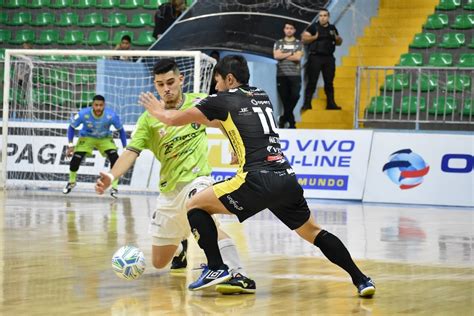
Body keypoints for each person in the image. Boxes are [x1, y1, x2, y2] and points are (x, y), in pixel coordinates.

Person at [139, 55, 376, 297]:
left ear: (229, 79)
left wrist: (157, 110)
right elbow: (240, 124)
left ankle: (216, 267)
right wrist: (234, 145)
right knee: (314, 232)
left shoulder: (220, 99)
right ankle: (361, 279)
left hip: (255, 180)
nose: (216, 87)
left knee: (194, 205)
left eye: (218, 81)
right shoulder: (262, 96)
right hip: (285, 177)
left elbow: (172, 119)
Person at [95, 59, 256, 295]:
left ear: (181, 79)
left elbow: (226, 120)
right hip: (169, 194)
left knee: (205, 215)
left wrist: (233, 144)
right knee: (159, 262)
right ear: (155, 86)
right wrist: (111, 175)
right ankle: (182, 246)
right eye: (160, 84)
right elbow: (131, 152)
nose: (166, 88)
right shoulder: (148, 120)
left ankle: (236, 272)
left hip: (197, 181)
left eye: (170, 82)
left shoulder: (199, 102)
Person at [64, 95, 127, 198]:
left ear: (104, 105)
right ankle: (71, 182)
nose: (98, 108)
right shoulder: (83, 114)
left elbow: (121, 131)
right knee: (76, 159)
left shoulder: (111, 115)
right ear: (92, 105)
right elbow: (71, 127)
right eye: (96, 105)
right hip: (87, 138)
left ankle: (114, 187)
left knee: (114, 158)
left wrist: (125, 148)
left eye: (101, 105)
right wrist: (70, 145)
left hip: (104, 138)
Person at [301, 8, 343, 113]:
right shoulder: (313, 27)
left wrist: (338, 39)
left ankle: (331, 103)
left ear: (328, 17)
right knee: (312, 81)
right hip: (315, 57)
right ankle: (307, 103)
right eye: (320, 16)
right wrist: (314, 38)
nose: (322, 18)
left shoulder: (332, 28)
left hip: (329, 58)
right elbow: (304, 39)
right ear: (318, 17)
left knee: (329, 82)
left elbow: (338, 42)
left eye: (325, 15)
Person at [273, 21, 304, 128]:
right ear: (284, 30)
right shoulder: (278, 43)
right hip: (281, 75)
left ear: (294, 30)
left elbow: (298, 57)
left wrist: (284, 55)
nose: (289, 30)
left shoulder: (299, 43)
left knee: (295, 96)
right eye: (287, 28)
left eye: (291, 28)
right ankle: (291, 123)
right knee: (285, 98)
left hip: (295, 74)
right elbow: (276, 56)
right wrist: (291, 53)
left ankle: (284, 118)